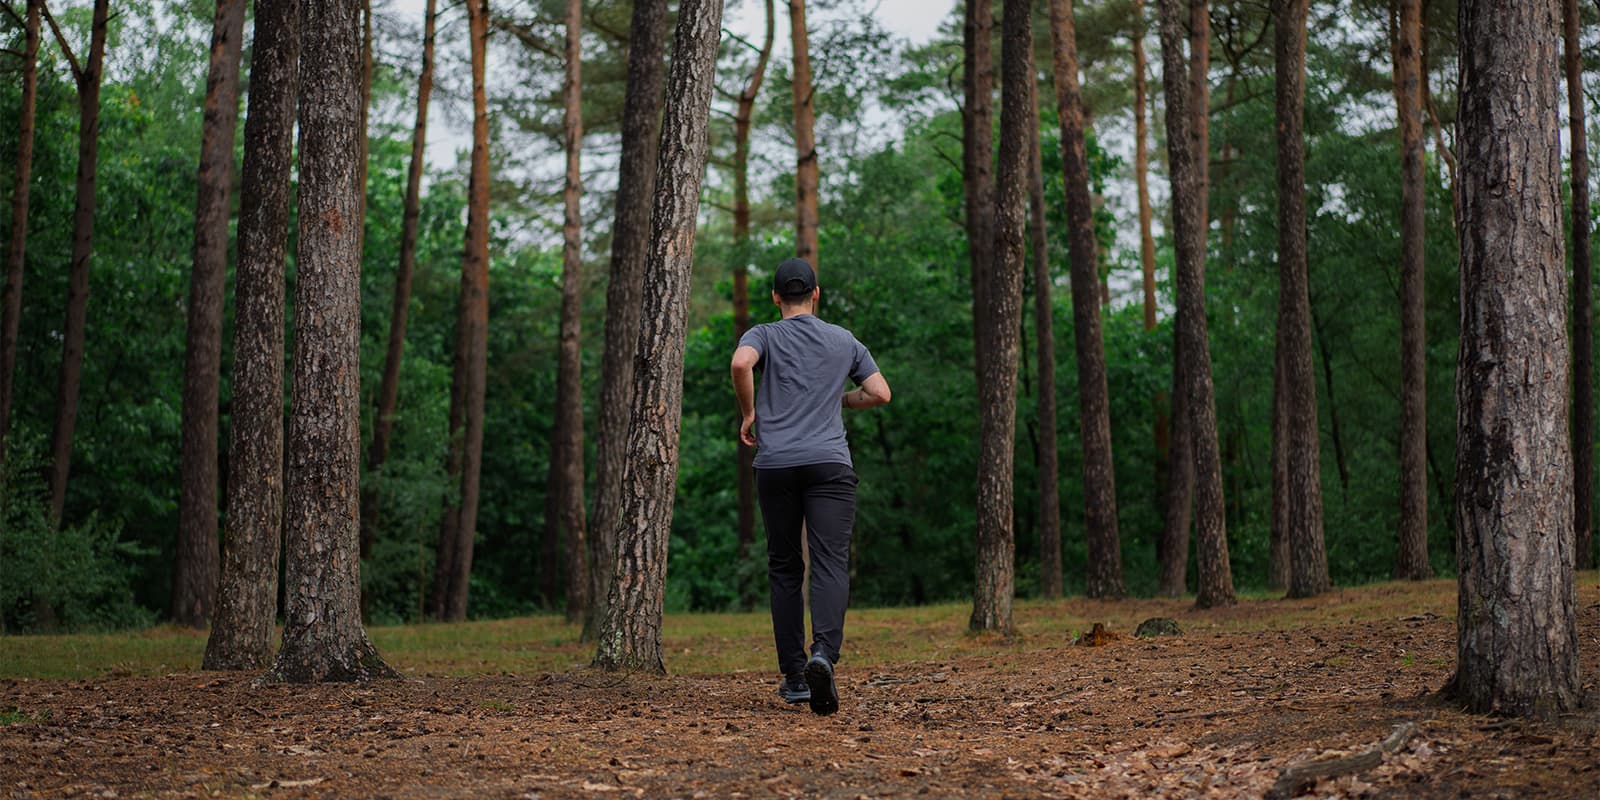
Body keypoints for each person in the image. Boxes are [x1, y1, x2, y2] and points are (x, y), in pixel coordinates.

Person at [730, 257, 891, 716]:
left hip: (777, 464)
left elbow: (742, 363)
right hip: (830, 465)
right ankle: (824, 653)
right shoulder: (844, 340)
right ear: (816, 294)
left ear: (777, 297)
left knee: (784, 566)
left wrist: (748, 413)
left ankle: (796, 677)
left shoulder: (761, 333)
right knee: (829, 563)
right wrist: (840, 399)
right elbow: (880, 393)